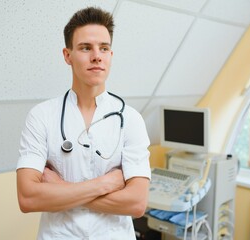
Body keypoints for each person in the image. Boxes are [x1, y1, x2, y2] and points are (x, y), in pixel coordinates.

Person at [16, 6, 151, 240]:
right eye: (85, 47)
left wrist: (60, 189)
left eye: (104, 48)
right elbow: (28, 198)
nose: (96, 55)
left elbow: (137, 203)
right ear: (67, 55)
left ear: (110, 55)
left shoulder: (130, 119)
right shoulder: (41, 116)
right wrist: (107, 183)